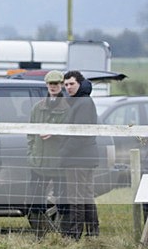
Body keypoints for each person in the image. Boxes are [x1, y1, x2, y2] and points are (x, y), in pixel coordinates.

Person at [58, 70, 100, 239]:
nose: (68, 87)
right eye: (66, 84)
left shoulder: (83, 102)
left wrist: (62, 153)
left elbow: (80, 134)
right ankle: (92, 233)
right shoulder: (80, 101)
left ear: (79, 83)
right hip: (84, 157)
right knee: (86, 196)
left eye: (71, 84)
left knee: (76, 196)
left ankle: (75, 234)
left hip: (78, 158)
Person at [26, 70, 69, 235]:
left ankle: (62, 234)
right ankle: (40, 233)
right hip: (39, 162)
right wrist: (31, 155)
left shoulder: (68, 107)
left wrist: (55, 132)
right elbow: (30, 134)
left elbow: (71, 133)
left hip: (59, 163)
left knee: (62, 201)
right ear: (47, 85)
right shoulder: (38, 107)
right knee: (35, 200)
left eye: (56, 84)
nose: (53, 87)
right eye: (51, 84)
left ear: (61, 85)